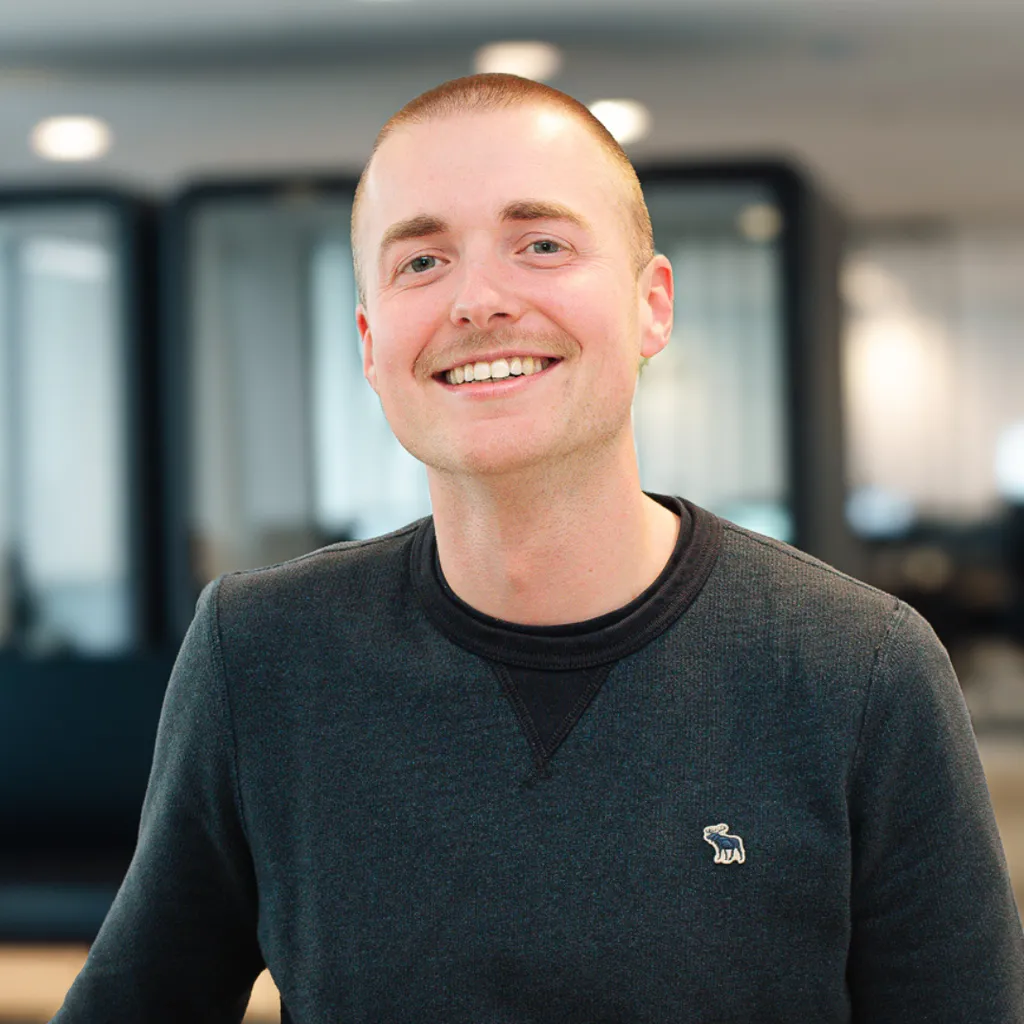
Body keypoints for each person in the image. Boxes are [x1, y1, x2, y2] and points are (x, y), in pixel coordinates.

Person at [54, 74, 1023, 1023]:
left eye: (541, 243)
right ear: (368, 341)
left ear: (652, 304)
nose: (476, 298)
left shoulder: (857, 665)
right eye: (420, 262)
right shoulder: (260, 653)